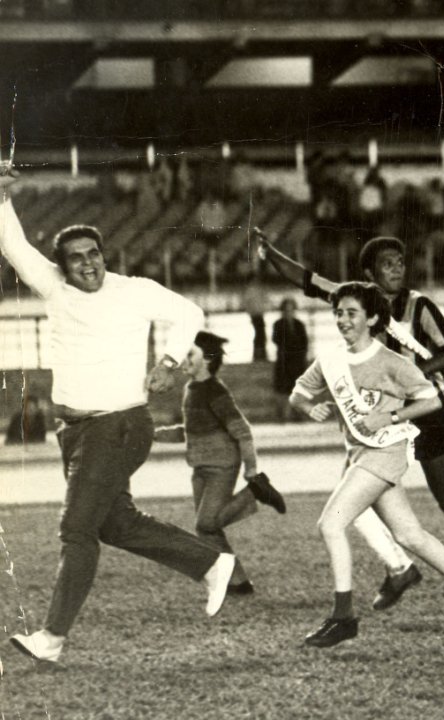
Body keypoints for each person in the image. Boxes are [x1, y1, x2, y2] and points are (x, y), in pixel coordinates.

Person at [0, 169, 237, 665]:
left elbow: (191, 313)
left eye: (94, 254)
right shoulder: (55, 290)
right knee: (117, 524)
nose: (88, 264)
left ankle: (52, 638)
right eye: (76, 258)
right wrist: (0, 195)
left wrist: (170, 362)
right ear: (63, 266)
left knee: (76, 529)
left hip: (119, 424)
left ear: (105, 255)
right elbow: (15, 245)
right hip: (77, 432)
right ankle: (212, 563)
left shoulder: (134, 290)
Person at [257, 232, 444, 614]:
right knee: (353, 497)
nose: (397, 269)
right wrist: (267, 250)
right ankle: (399, 567)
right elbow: (306, 279)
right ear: (369, 272)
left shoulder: (419, 305)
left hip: (425, 408)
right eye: (388, 263)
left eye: (400, 262)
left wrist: (410, 373)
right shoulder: (354, 298)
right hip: (379, 419)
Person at [290, 282, 444, 646]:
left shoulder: (391, 362)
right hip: (360, 454)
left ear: (371, 318)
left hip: (385, 453)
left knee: (330, 525)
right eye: (338, 313)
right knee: (408, 535)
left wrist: (392, 417)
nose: (343, 320)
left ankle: (343, 617)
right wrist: (309, 407)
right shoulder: (331, 358)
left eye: (351, 313)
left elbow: (431, 400)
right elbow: (298, 393)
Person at [153, 331, 287, 596]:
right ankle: (239, 582)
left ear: (208, 359)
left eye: (191, 354)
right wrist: (154, 434)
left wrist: (251, 469)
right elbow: (189, 430)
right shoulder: (191, 389)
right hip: (200, 468)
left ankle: (254, 492)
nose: (184, 359)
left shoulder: (215, 391)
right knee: (208, 530)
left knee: (206, 525)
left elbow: (242, 431)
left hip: (221, 466)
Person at [272, 297, 309, 422]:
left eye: (291, 310)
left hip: (297, 363)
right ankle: (283, 416)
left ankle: (298, 415)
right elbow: (277, 340)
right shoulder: (278, 325)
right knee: (283, 390)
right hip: (284, 362)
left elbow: (304, 343)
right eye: (286, 310)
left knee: (297, 390)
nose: (289, 312)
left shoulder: (299, 325)